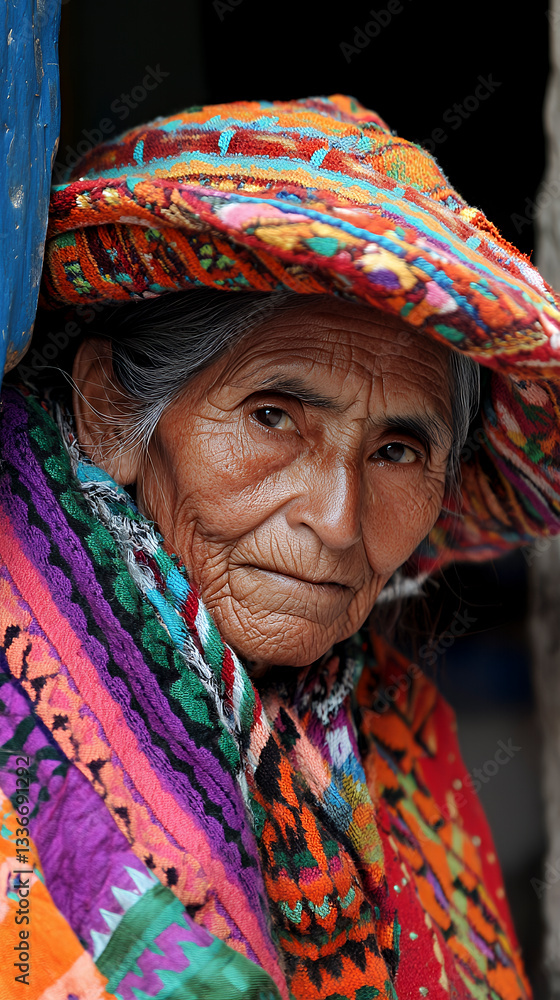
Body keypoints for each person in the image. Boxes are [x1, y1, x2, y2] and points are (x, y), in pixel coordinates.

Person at [1, 93, 558, 1000]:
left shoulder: (400, 730)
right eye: (274, 416)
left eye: (397, 450)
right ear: (110, 409)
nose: (337, 520)